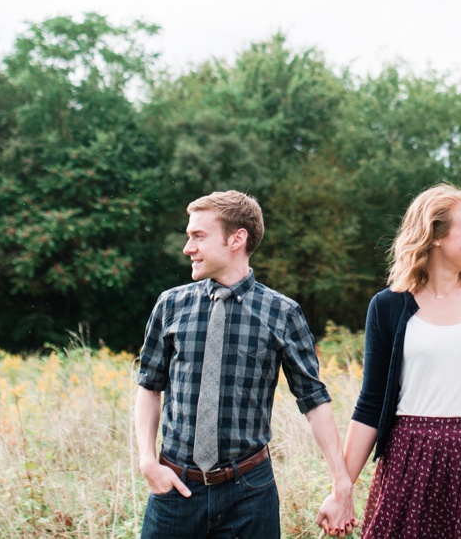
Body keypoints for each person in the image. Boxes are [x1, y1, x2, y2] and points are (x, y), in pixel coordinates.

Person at [135, 190, 357, 538]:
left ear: (237, 239)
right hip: (174, 491)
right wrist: (148, 461)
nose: (187, 248)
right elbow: (149, 386)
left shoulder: (282, 313)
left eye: (198, 236)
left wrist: (341, 484)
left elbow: (314, 401)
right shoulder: (170, 305)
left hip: (250, 495)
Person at [342, 185, 461, 538]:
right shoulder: (388, 305)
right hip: (410, 461)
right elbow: (370, 404)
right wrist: (342, 487)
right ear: (436, 235)